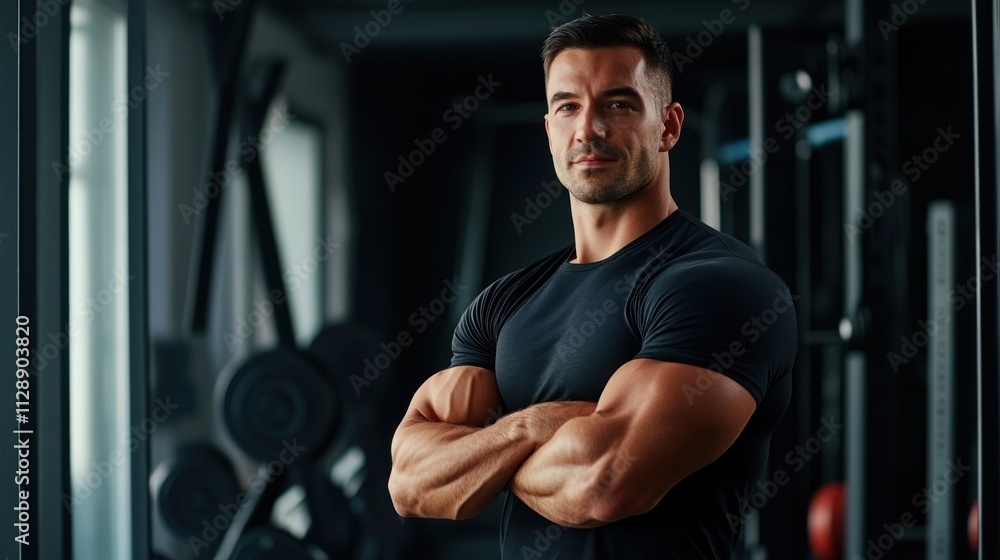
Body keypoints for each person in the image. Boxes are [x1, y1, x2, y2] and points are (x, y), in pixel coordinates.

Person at [388, 13, 798, 559]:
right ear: (550, 129)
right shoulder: (503, 304)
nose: (589, 129)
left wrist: (478, 460)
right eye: (568, 107)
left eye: (619, 104)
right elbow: (412, 484)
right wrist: (532, 428)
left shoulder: (719, 288)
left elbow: (604, 483)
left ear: (669, 126)